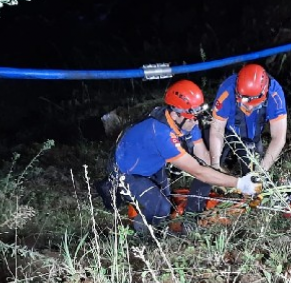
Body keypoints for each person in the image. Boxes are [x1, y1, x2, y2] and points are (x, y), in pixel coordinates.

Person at [96, 79, 262, 234]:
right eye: (192, 118)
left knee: (167, 204)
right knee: (160, 209)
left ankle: (164, 223)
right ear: (175, 114)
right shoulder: (161, 134)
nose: (196, 123)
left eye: (197, 116)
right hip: (128, 172)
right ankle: (142, 236)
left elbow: (203, 157)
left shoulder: (187, 122)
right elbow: (198, 172)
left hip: (151, 162)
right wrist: (239, 184)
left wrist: (223, 177)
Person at [208, 63, 287, 175]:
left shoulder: (275, 94)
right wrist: (215, 165)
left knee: (252, 175)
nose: (249, 108)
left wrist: (261, 172)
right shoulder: (227, 90)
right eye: (244, 104)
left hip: (253, 137)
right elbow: (217, 130)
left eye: (254, 105)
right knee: (212, 171)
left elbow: (279, 137)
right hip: (229, 133)